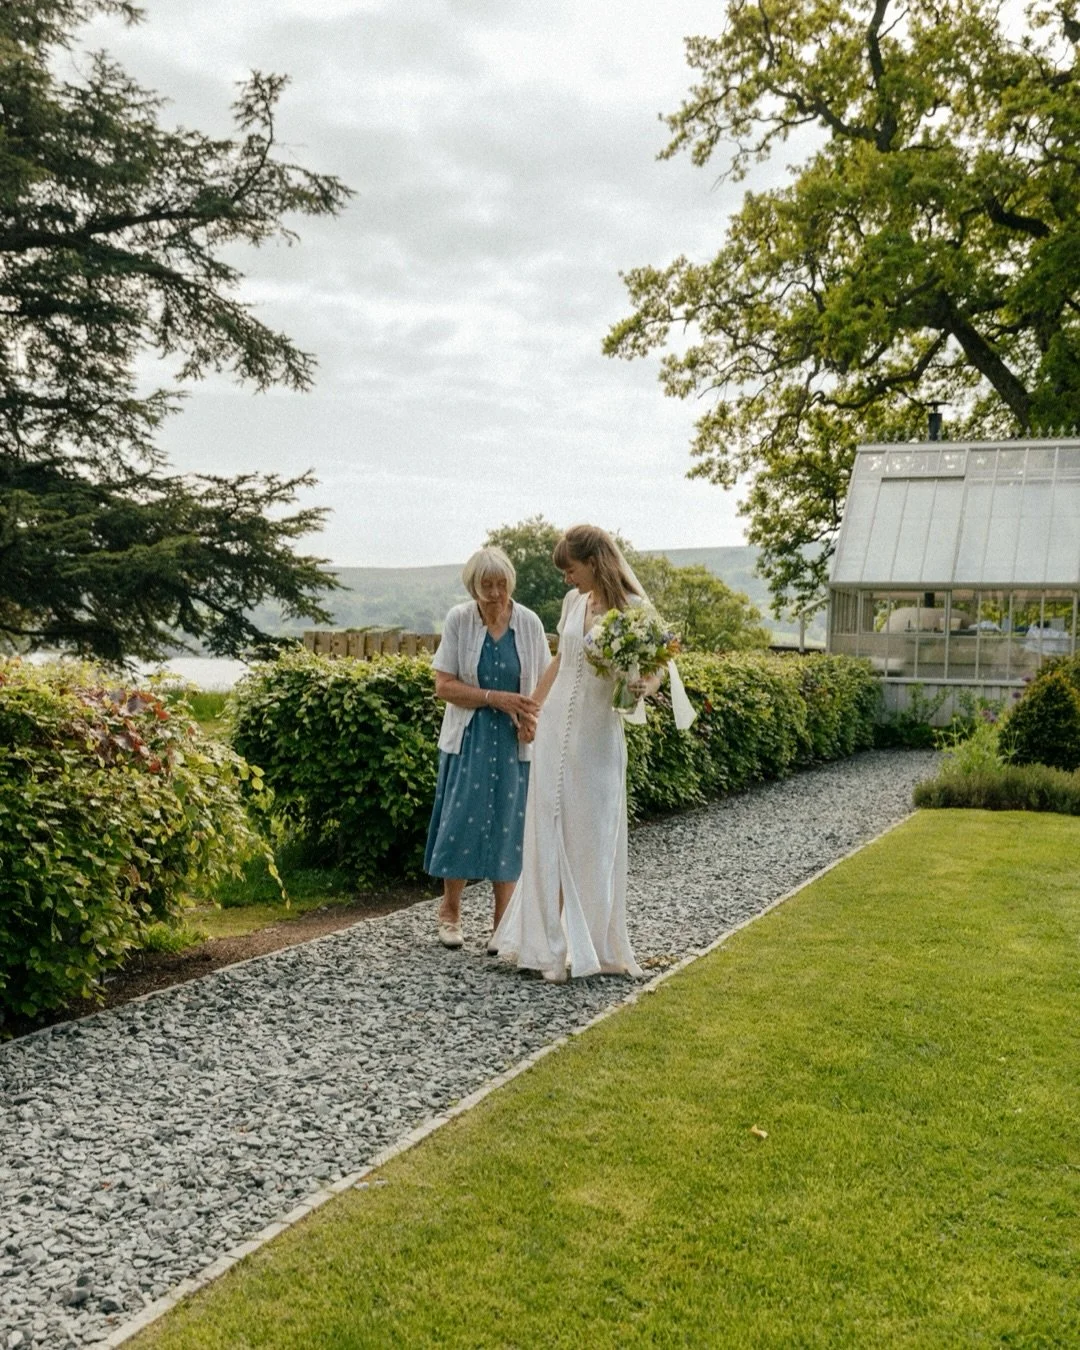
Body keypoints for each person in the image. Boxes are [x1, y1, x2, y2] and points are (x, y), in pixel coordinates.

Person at [491, 524, 693, 983]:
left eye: (571, 568)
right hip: (556, 725)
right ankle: (547, 946)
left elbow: (658, 669)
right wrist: (531, 708)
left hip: (598, 734)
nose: (567, 578)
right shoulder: (573, 604)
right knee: (549, 826)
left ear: (595, 562)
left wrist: (644, 685)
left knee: (590, 834)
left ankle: (591, 946)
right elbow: (560, 662)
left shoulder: (635, 611)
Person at [424, 546, 551, 950]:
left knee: (508, 825)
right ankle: (450, 912)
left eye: (502, 585)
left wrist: (532, 718)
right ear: (473, 586)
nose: (495, 593)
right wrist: (495, 697)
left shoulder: (528, 622)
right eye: (486, 586)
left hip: (513, 741)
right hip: (471, 735)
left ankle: (503, 923)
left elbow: (544, 681)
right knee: (460, 819)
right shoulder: (460, 619)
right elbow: (444, 686)